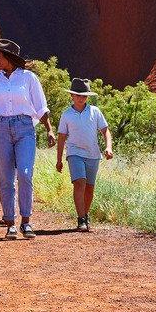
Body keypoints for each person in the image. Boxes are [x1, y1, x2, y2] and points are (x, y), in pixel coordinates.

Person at [0, 38, 53, 240]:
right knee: (5, 178)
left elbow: (41, 106)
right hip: (0, 128)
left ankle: (26, 221)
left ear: (8, 57)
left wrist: (49, 130)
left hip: (25, 128)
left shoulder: (29, 78)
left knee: (26, 174)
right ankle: (10, 223)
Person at [55, 78, 113, 232]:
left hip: (93, 154)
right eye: (78, 95)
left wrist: (108, 147)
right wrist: (59, 160)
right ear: (72, 96)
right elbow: (61, 137)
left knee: (89, 188)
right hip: (74, 153)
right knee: (80, 182)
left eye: (84, 96)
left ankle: (85, 215)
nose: (81, 98)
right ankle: (81, 219)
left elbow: (105, 130)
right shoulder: (66, 114)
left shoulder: (95, 111)